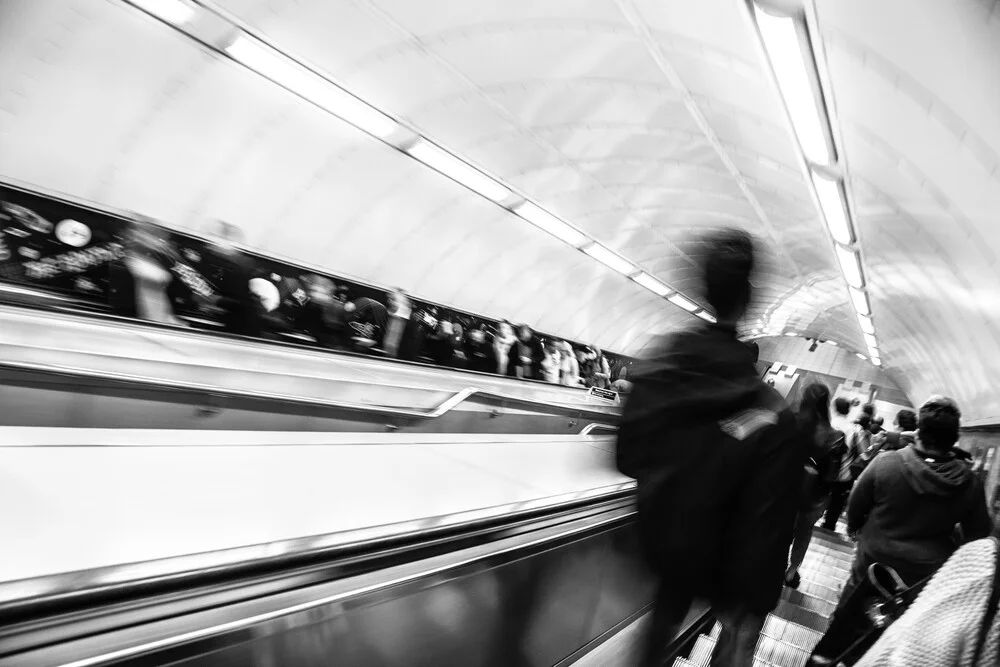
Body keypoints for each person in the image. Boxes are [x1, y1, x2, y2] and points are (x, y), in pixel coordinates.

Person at [616, 228, 801, 667]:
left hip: (663, 546)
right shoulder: (769, 411)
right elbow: (766, 516)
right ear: (749, 296)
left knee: (663, 617)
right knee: (731, 634)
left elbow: (628, 457)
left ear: (700, 284)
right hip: (726, 562)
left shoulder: (659, 367)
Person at [806, 396, 992, 666]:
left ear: (919, 431)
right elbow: (978, 538)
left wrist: (859, 530)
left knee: (844, 633)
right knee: (894, 648)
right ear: (954, 439)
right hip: (919, 587)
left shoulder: (887, 464)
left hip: (869, 571)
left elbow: (855, 508)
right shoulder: (969, 484)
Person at [852, 534, 1000, 667]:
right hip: (925, 563)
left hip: (878, 546)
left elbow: (912, 655)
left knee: (851, 620)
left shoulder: (983, 562)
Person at [784, 383, 846, 589]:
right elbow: (832, 475)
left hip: (787, 490)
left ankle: (773, 563)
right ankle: (791, 572)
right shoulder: (834, 436)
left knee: (783, 528)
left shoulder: (791, 423)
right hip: (815, 498)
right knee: (804, 532)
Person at [823, 397, 858, 530]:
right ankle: (829, 525)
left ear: (834, 408)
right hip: (843, 473)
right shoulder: (852, 429)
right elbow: (852, 451)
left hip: (824, 470)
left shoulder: (829, 423)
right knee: (837, 502)